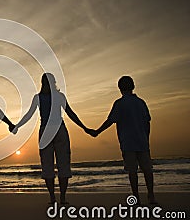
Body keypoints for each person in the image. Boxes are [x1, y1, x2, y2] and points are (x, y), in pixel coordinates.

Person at [13, 73, 91, 204]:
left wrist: (16, 126)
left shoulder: (38, 98)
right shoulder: (59, 96)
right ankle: (63, 198)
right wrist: (84, 127)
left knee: (47, 165)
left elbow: (29, 114)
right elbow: (70, 113)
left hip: (45, 132)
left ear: (42, 83)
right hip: (59, 130)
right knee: (63, 164)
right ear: (53, 82)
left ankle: (52, 198)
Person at [87, 76, 157, 205]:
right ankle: (151, 196)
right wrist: (146, 138)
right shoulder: (141, 102)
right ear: (133, 86)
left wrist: (97, 131)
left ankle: (136, 197)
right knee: (147, 170)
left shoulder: (120, 104)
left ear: (119, 88)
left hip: (128, 142)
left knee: (132, 171)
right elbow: (147, 122)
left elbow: (111, 120)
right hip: (142, 141)